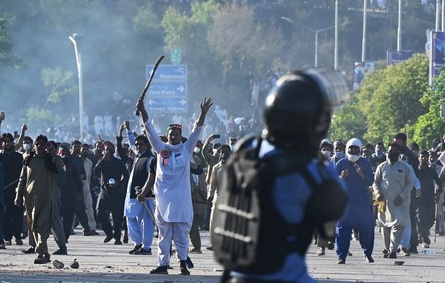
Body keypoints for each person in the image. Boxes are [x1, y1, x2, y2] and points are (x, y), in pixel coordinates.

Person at [211, 70, 349, 282]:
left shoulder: (245, 150)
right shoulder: (316, 170)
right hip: (286, 277)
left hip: (236, 275)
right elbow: (330, 223)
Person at [136, 97, 213, 276]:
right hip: (163, 200)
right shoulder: (160, 148)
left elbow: (197, 130)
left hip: (181, 201)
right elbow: (149, 129)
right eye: (170, 134)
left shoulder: (186, 149)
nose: (172, 136)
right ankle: (163, 265)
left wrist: (203, 113)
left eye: (176, 134)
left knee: (180, 235)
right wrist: (143, 110)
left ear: (180, 136)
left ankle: (182, 264)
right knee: (163, 235)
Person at [15, 135, 64, 264]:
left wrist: (53, 153)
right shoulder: (28, 159)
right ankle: (45, 252)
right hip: (30, 198)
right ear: (34, 145)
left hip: (46, 198)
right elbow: (22, 179)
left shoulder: (49, 159)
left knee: (42, 225)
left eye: (43, 144)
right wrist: (18, 195)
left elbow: (60, 166)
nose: (40, 147)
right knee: (33, 226)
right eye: (38, 144)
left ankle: (40, 253)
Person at [335, 138, 375, 264]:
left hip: (362, 202)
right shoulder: (340, 163)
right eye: (351, 148)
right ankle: (341, 256)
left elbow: (370, 180)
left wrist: (360, 173)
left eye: (356, 148)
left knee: (367, 228)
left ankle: (367, 253)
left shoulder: (365, 163)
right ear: (347, 149)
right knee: (342, 230)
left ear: (359, 150)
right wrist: (341, 177)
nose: (353, 150)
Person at [373, 143, 414, 259]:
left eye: (395, 151)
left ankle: (393, 250)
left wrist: (402, 196)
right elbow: (375, 182)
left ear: (399, 153)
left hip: (400, 203)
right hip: (384, 202)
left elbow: (410, 183)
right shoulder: (381, 166)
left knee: (398, 226)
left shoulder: (405, 167)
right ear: (388, 151)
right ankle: (388, 249)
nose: (393, 153)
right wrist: (378, 193)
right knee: (385, 226)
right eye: (391, 151)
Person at [94, 141, 129, 245]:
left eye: (110, 150)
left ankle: (117, 237)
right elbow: (95, 172)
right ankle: (109, 233)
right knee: (99, 212)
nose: (108, 152)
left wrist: (119, 184)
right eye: (106, 150)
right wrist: (102, 160)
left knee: (117, 216)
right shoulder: (102, 161)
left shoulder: (119, 162)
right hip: (104, 191)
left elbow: (126, 176)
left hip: (117, 192)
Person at [0, 133, 24, 246]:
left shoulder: (18, 156)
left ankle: (18, 236)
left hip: (17, 188)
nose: (7, 143)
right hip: (3, 190)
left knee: (18, 213)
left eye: (9, 141)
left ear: (13, 142)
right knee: (5, 214)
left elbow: (23, 173)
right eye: (5, 141)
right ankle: (7, 237)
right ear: (2, 143)